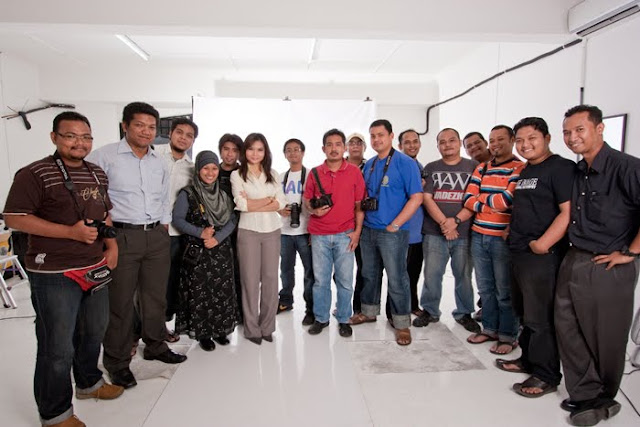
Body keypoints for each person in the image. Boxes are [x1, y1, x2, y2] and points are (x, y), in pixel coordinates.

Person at [3, 111, 123, 427]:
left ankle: (89, 383)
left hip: (94, 267)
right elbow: (14, 218)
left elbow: (104, 214)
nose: (79, 143)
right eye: (70, 136)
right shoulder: (34, 173)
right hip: (54, 273)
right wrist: (70, 232)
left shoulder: (97, 173)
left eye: (86, 137)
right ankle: (55, 414)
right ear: (54, 137)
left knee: (93, 332)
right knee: (56, 346)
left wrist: (112, 246)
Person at [88, 102, 187, 390]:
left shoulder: (158, 161)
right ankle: (117, 362)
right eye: (139, 125)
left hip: (155, 235)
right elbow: (92, 196)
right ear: (125, 126)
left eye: (151, 127)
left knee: (155, 298)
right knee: (120, 302)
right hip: (121, 236)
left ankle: (156, 345)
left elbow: (163, 197)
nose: (146, 131)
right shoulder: (105, 156)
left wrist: (163, 226)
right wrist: (106, 235)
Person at [555, 105, 640, 426]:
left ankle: (604, 398)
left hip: (608, 264)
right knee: (568, 327)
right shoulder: (578, 170)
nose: (572, 137)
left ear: (599, 128)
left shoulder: (627, 167)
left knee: (606, 335)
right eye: (567, 132)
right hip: (575, 257)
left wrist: (631, 253)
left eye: (579, 130)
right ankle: (585, 393)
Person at [497, 117, 575, 399]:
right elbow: (527, 206)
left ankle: (546, 375)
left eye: (532, 138)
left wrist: (544, 243)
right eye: (519, 140)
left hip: (542, 256)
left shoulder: (561, 168)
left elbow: (568, 211)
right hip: (519, 251)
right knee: (525, 312)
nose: (525, 144)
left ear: (547, 138)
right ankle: (528, 360)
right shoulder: (528, 169)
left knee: (541, 317)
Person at [349, 119, 423, 346]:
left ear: (391, 136)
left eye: (380, 135)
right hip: (369, 229)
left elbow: (416, 197)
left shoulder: (405, 163)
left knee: (397, 278)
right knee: (369, 274)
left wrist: (396, 224)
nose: (376, 139)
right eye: (372, 136)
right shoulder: (370, 164)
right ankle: (369, 312)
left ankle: (401, 323)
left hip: (393, 232)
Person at [414, 128, 480, 333]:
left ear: (459, 143)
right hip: (434, 232)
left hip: (464, 232)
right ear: (437, 146)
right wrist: (445, 223)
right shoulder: (431, 168)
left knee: (463, 275)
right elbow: (426, 198)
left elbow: (475, 199)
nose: (447, 145)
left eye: (452, 140)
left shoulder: (473, 167)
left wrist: (456, 222)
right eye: (442, 142)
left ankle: (464, 313)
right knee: (432, 274)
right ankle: (430, 310)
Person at [464, 125, 523, 355]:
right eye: (492, 140)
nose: (495, 144)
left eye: (500, 139)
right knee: (486, 288)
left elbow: (507, 200)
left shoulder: (519, 168)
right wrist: (490, 203)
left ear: (512, 140)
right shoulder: (482, 167)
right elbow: (468, 199)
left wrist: (482, 202)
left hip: (501, 238)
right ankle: (489, 329)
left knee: (504, 290)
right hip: (479, 235)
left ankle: (508, 335)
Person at [172, 151, 239, 351]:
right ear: (198, 170)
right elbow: (177, 220)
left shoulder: (224, 194)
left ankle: (220, 330)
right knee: (201, 292)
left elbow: (233, 219)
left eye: (214, 168)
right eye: (205, 168)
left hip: (221, 249)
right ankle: (204, 333)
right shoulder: (188, 193)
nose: (210, 173)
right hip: (198, 252)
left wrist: (218, 238)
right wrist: (200, 233)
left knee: (221, 291)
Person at [304, 129, 366, 337]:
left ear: (344, 148)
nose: (334, 148)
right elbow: (307, 201)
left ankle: (344, 318)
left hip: (345, 235)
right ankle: (321, 318)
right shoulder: (314, 173)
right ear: (323, 148)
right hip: (319, 235)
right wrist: (314, 210)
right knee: (320, 281)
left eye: (338, 144)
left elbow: (359, 206)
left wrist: (357, 232)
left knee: (345, 281)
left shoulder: (354, 172)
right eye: (329, 144)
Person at [231, 133, 286, 345]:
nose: (255, 153)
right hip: (248, 232)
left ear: (265, 152)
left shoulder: (273, 174)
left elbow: (281, 203)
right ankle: (252, 329)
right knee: (250, 280)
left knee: (271, 279)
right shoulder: (237, 175)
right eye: (251, 149)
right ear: (245, 151)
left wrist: (254, 203)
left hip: (272, 230)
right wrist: (267, 200)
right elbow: (241, 205)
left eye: (260, 149)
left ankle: (267, 327)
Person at [156, 117, 198, 342]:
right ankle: (134, 333)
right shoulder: (153, 156)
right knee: (145, 284)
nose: (184, 138)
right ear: (170, 133)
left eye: (189, 135)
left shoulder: (192, 169)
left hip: (176, 234)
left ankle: (161, 326)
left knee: (170, 283)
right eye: (180, 132)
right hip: (151, 230)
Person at [277, 138, 314, 325]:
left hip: (306, 231)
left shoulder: (311, 175)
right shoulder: (280, 176)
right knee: (285, 269)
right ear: (285, 154)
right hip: (285, 231)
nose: (293, 153)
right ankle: (285, 301)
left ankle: (310, 308)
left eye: (296, 149)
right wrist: (280, 210)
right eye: (289, 150)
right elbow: (275, 200)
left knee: (310, 272)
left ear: (303, 152)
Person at [397, 129, 425, 316]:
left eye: (415, 141)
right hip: (403, 229)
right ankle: (400, 310)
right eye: (407, 142)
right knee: (401, 274)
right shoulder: (399, 166)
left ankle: (413, 305)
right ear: (400, 146)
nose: (412, 145)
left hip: (419, 230)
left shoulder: (420, 166)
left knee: (414, 271)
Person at [217, 133, 244, 320]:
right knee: (219, 272)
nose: (230, 154)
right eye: (226, 149)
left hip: (241, 229)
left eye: (234, 150)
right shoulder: (211, 171)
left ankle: (241, 312)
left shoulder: (244, 173)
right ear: (220, 150)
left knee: (240, 271)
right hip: (217, 230)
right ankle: (221, 313)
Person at [345, 132, 368, 314]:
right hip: (343, 224)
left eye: (359, 143)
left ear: (364, 147)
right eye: (351, 143)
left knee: (364, 267)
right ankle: (343, 303)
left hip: (365, 223)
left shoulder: (372, 166)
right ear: (346, 147)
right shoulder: (338, 165)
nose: (355, 146)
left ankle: (358, 307)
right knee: (341, 269)